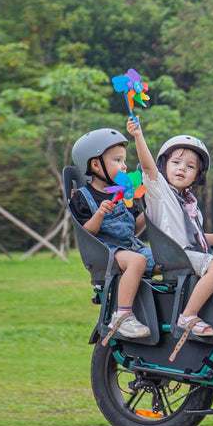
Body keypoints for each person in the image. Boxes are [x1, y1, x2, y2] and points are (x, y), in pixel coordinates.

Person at [127, 117, 213, 337]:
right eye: (176, 163)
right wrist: (138, 136)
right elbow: (147, 166)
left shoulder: (189, 202)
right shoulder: (160, 192)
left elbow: (194, 236)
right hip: (174, 256)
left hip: (192, 252)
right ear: (164, 165)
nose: (181, 169)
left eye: (190, 166)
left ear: (197, 175)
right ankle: (188, 316)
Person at [69, 128, 157, 339]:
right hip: (105, 251)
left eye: (124, 161)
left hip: (130, 247)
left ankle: (164, 311)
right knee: (137, 262)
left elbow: (133, 229)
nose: (124, 166)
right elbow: (86, 233)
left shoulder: (123, 193)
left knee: (168, 259)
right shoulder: (84, 196)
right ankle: (123, 315)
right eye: (117, 160)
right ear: (96, 165)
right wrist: (99, 213)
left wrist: (149, 211)